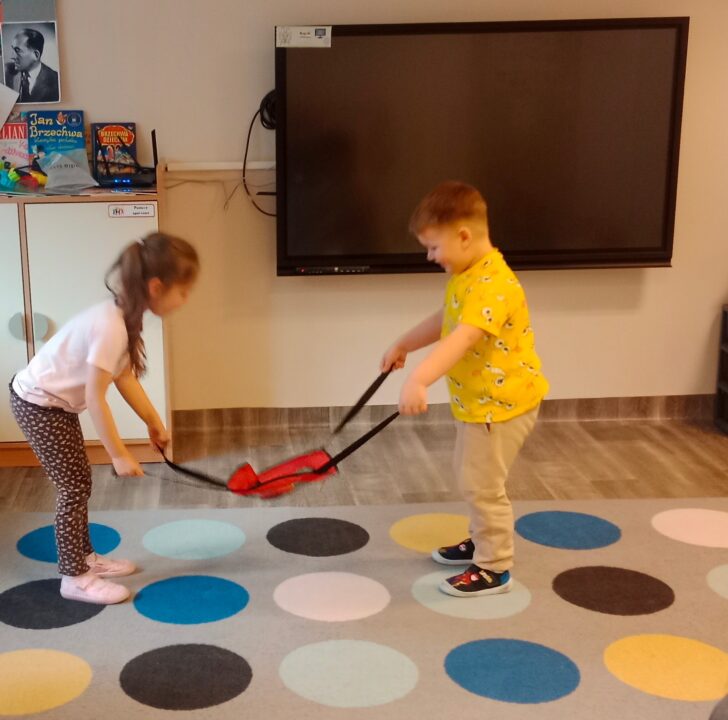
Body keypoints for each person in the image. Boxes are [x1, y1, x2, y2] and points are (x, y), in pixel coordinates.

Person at [9, 233, 199, 605]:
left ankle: (85, 558)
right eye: (183, 291)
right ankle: (74, 577)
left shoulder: (125, 316)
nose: (186, 299)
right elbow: (96, 397)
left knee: (79, 482)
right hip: (38, 404)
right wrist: (118, 454)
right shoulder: (110, 326)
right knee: (73, 488)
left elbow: (123, 377)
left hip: (53, 405)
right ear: (156, 287)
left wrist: (153, 422)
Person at [381, 181, 548, 597]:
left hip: (501, 407)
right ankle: (482, 539)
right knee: (470, 474)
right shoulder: (467, 275)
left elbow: (462, 338)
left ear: (463, 236)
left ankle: (495, 566)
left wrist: (419, 379)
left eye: (434, 247)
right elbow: (446, 320)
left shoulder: (494, 284)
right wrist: (404, 344)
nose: (430, 256)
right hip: (480, 405)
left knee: (481, 484)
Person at [4, 28, 60, 103]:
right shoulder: (6, 71)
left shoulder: (56, 80)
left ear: (36, 55)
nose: (12, 56)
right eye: (13, 49)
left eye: (18, 50)